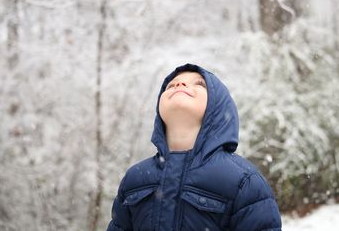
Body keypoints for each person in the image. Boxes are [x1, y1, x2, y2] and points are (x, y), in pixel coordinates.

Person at [107, 63, 281, 231]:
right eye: (171, 86)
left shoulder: (244, 181)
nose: (180, 84)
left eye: (199, 83)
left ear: (218, 107)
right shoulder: (134, 179)